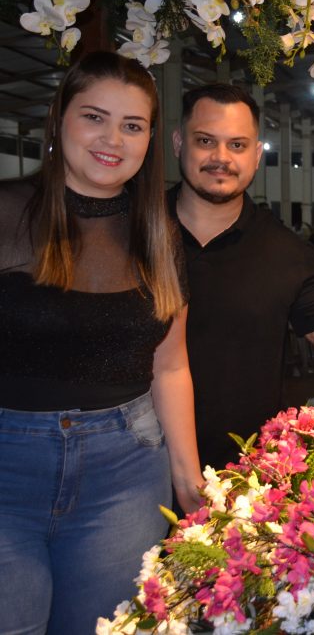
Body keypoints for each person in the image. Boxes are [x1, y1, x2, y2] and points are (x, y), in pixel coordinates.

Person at [0, 52, 203, 634]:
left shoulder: (158, 229)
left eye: (132, 125)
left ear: (149, 141)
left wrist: (188, 480)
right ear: (60, 118)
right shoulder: (7, 211)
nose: (112, 138)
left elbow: (169, 364)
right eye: (94, 117)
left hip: (125, 473)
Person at [170, 84, 314, 470]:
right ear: (179, 142)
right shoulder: (136, 231)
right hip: (132, 469)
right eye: (205, 141)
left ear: (257, 155)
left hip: (242, 472)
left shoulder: (285, 252)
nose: (220, 157)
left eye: (237, 145)